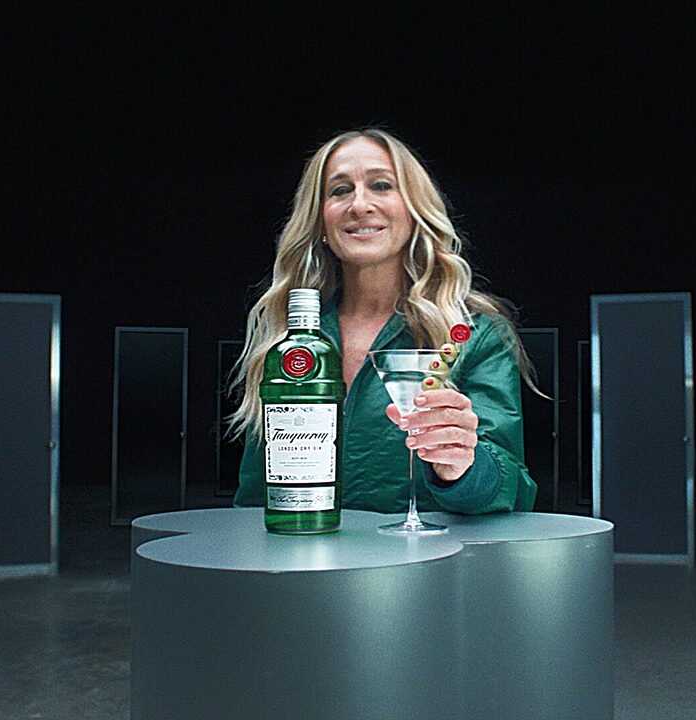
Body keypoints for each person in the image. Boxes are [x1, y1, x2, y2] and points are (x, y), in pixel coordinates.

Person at [229, 127, 537, 514]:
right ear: (320, 221)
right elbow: (255, 496)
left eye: (381, 185)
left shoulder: (474, 334)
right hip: (302, 550)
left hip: (423, 552)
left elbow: (512, 486)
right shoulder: (288, 338)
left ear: (414, 209)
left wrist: (462, 467)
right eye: (340, 190)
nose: (360, 205)